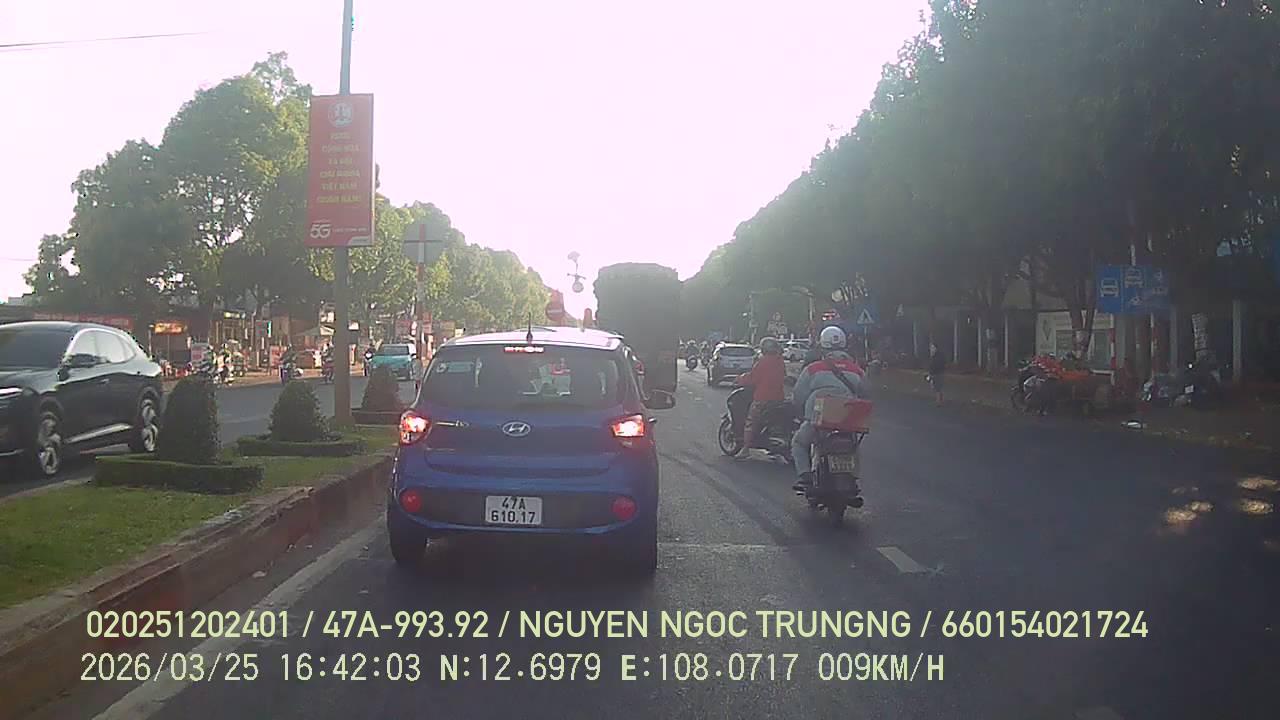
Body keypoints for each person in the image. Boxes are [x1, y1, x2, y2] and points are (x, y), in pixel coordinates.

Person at [790, 326, 867, 491]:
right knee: (853, 447)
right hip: (848, 420)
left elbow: (799, 395)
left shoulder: (813, 368)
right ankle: (853, 478)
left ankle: (805, 478)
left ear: (822, 345)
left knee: (799, 443)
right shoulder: (857, 371)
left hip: (818, 419)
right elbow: (865, 395)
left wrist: (801, 413)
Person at [733, 336, 787, 457]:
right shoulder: (780, 361)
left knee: (750, 422)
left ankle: (745, 449)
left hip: (763, 399)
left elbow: (753, 378)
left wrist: (739, 379)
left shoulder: (763, 362)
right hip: (779, 398)